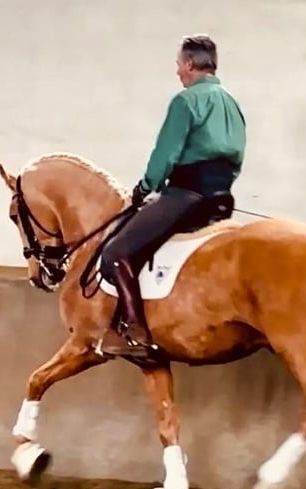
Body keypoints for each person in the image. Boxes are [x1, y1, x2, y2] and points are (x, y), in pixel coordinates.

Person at [98, 33, 247, 358]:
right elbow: (237, 154)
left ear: (190, 64)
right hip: (221, 197)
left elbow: (165, 153)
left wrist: (144, 189)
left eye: (179, 64)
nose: (178, 71)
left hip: (187, 195)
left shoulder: (186, 101)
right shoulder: (231, 103)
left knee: (114, 251)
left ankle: (134, 332)